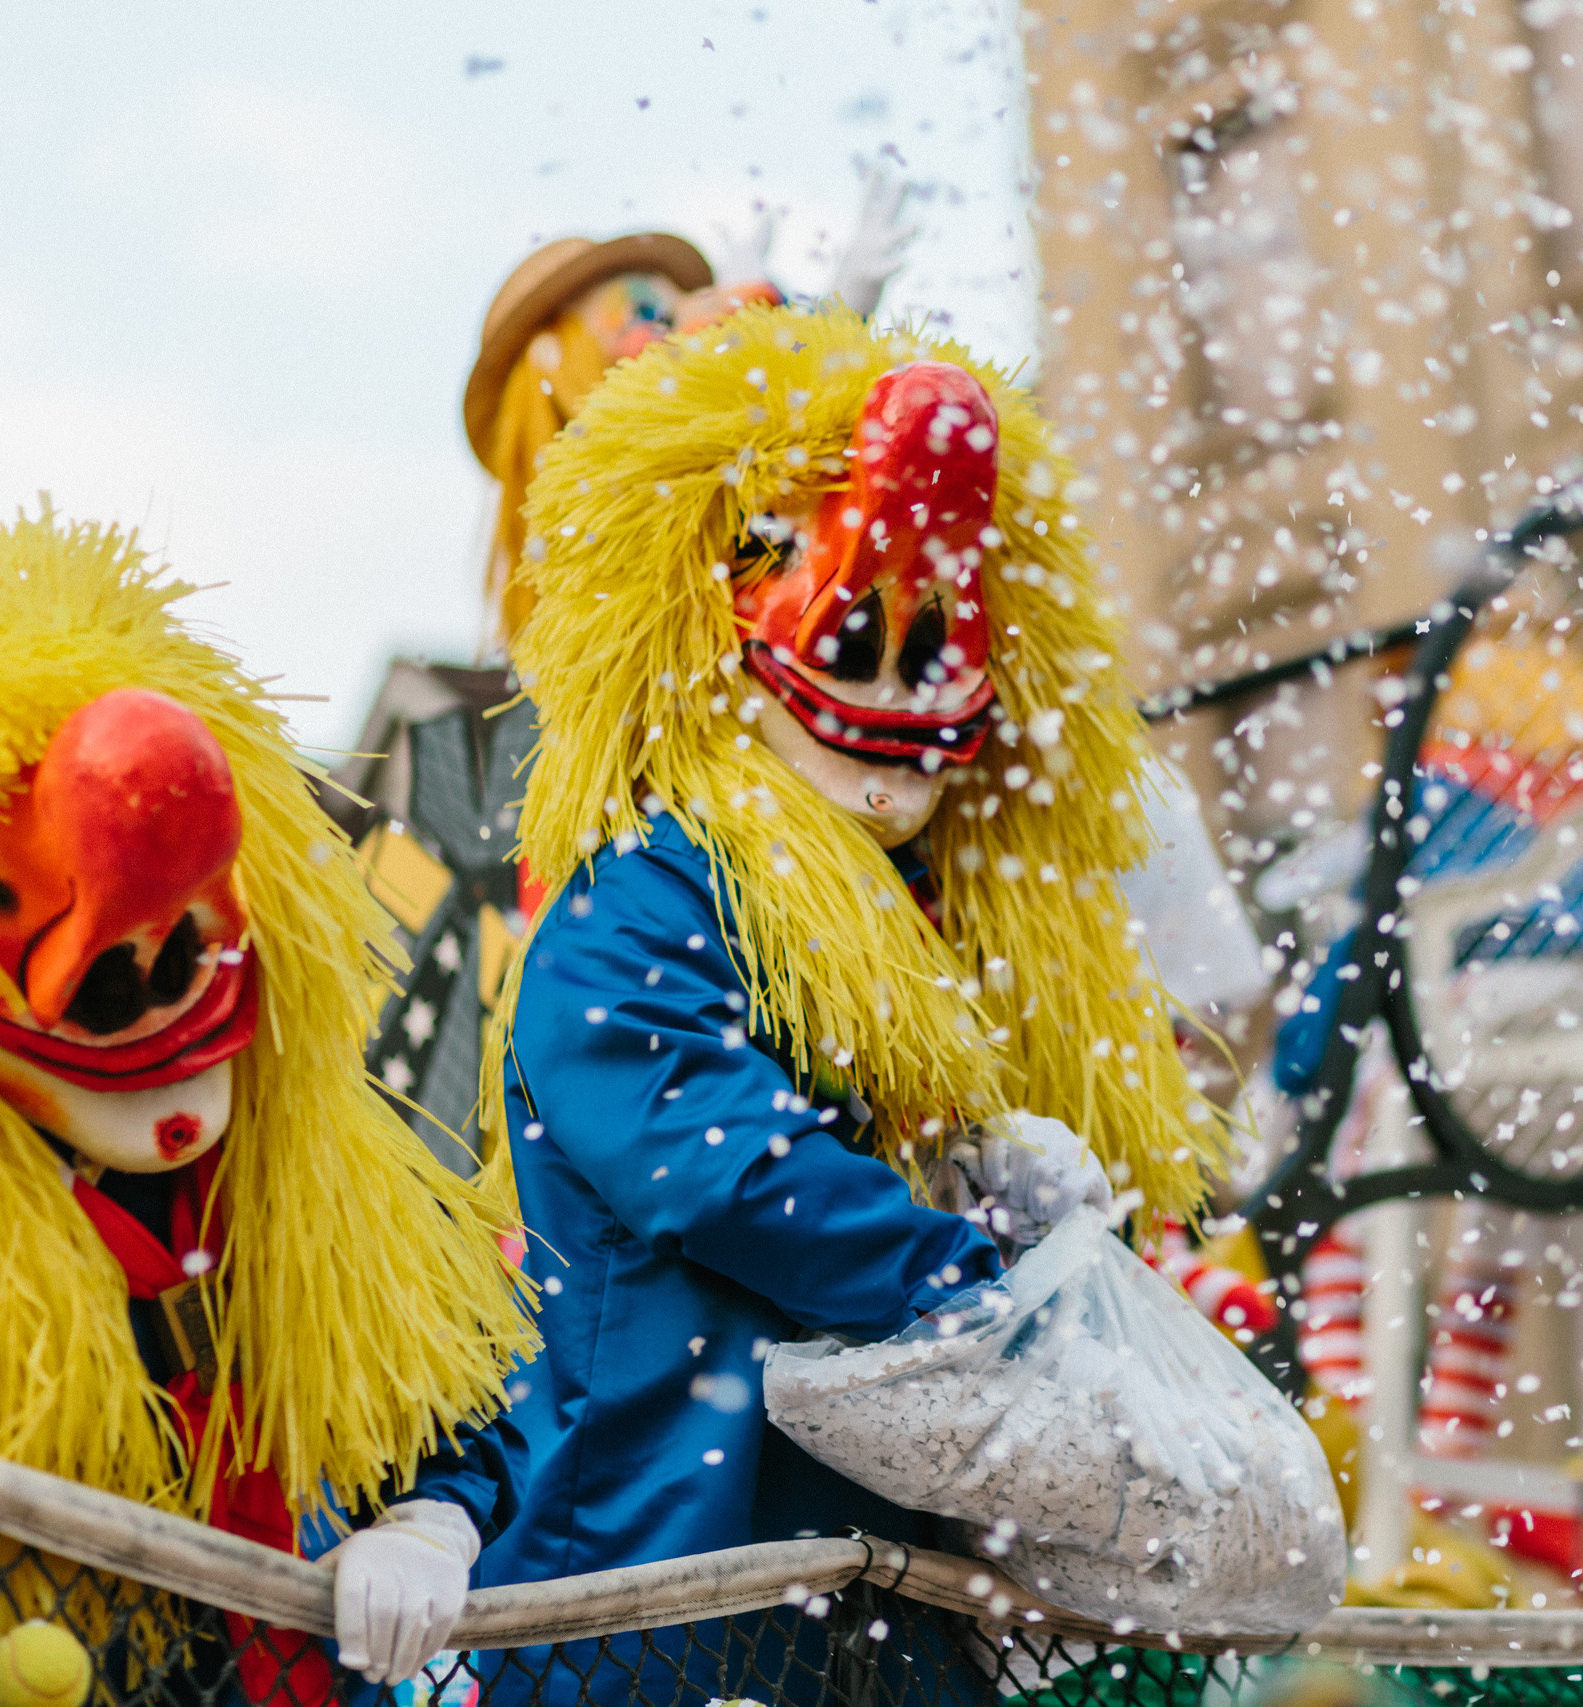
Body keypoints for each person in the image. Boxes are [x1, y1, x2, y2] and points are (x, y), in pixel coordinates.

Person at [470, 302, 1222, 1696]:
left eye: (923, 643)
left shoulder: (930, 937)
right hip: (667, 1611)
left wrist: (1039, 1229)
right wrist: (986, 1287)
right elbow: (724, 1171)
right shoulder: (638, 897)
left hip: (879, 1620)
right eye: (845, 626)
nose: (878, 678)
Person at [0, 512, 537, 1700]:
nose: (136, 990)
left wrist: (433, 1517)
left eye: (178, 939)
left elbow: (460, 1392)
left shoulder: (314, 1172)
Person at [335, 176, 920, 1171]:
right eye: (637, 312)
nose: (666, 328)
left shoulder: (701, 500)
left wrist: (819, 319)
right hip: (642, 898)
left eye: (674, 308)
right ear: (550, 357)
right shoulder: (594, 548)